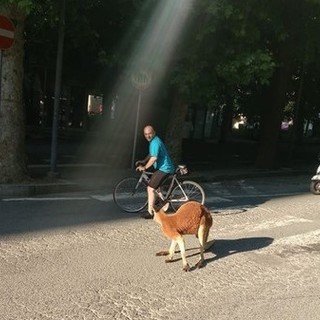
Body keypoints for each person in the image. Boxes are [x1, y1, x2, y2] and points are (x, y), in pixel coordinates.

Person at [136, 125, 175, 219]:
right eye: (146, 134)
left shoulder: (155, 142)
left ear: (154, 133)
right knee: (154, 185)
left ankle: (150, 213)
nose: (148, 136)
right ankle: (160, 202)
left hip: (165, 168)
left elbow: (154, 158)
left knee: (150, 188)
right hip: (161, 167)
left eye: (150, 134)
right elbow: (151, 153)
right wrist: (144, 161)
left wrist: (144, 167)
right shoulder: (154, 141)